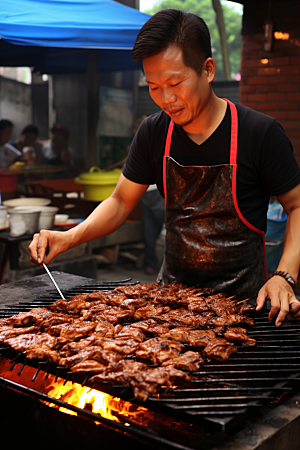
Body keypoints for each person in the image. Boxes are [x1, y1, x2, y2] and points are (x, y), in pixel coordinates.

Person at [29, 9, 300, 327]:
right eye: (153, 86)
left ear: (208, 70)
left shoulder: (260, 133)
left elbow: (296, 205)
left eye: (175, 82)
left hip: (244, 306)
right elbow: (120, 202)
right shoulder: (154, 132)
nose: (166, 98)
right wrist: (68, 238)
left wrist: (285, 275)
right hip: (169, 305)